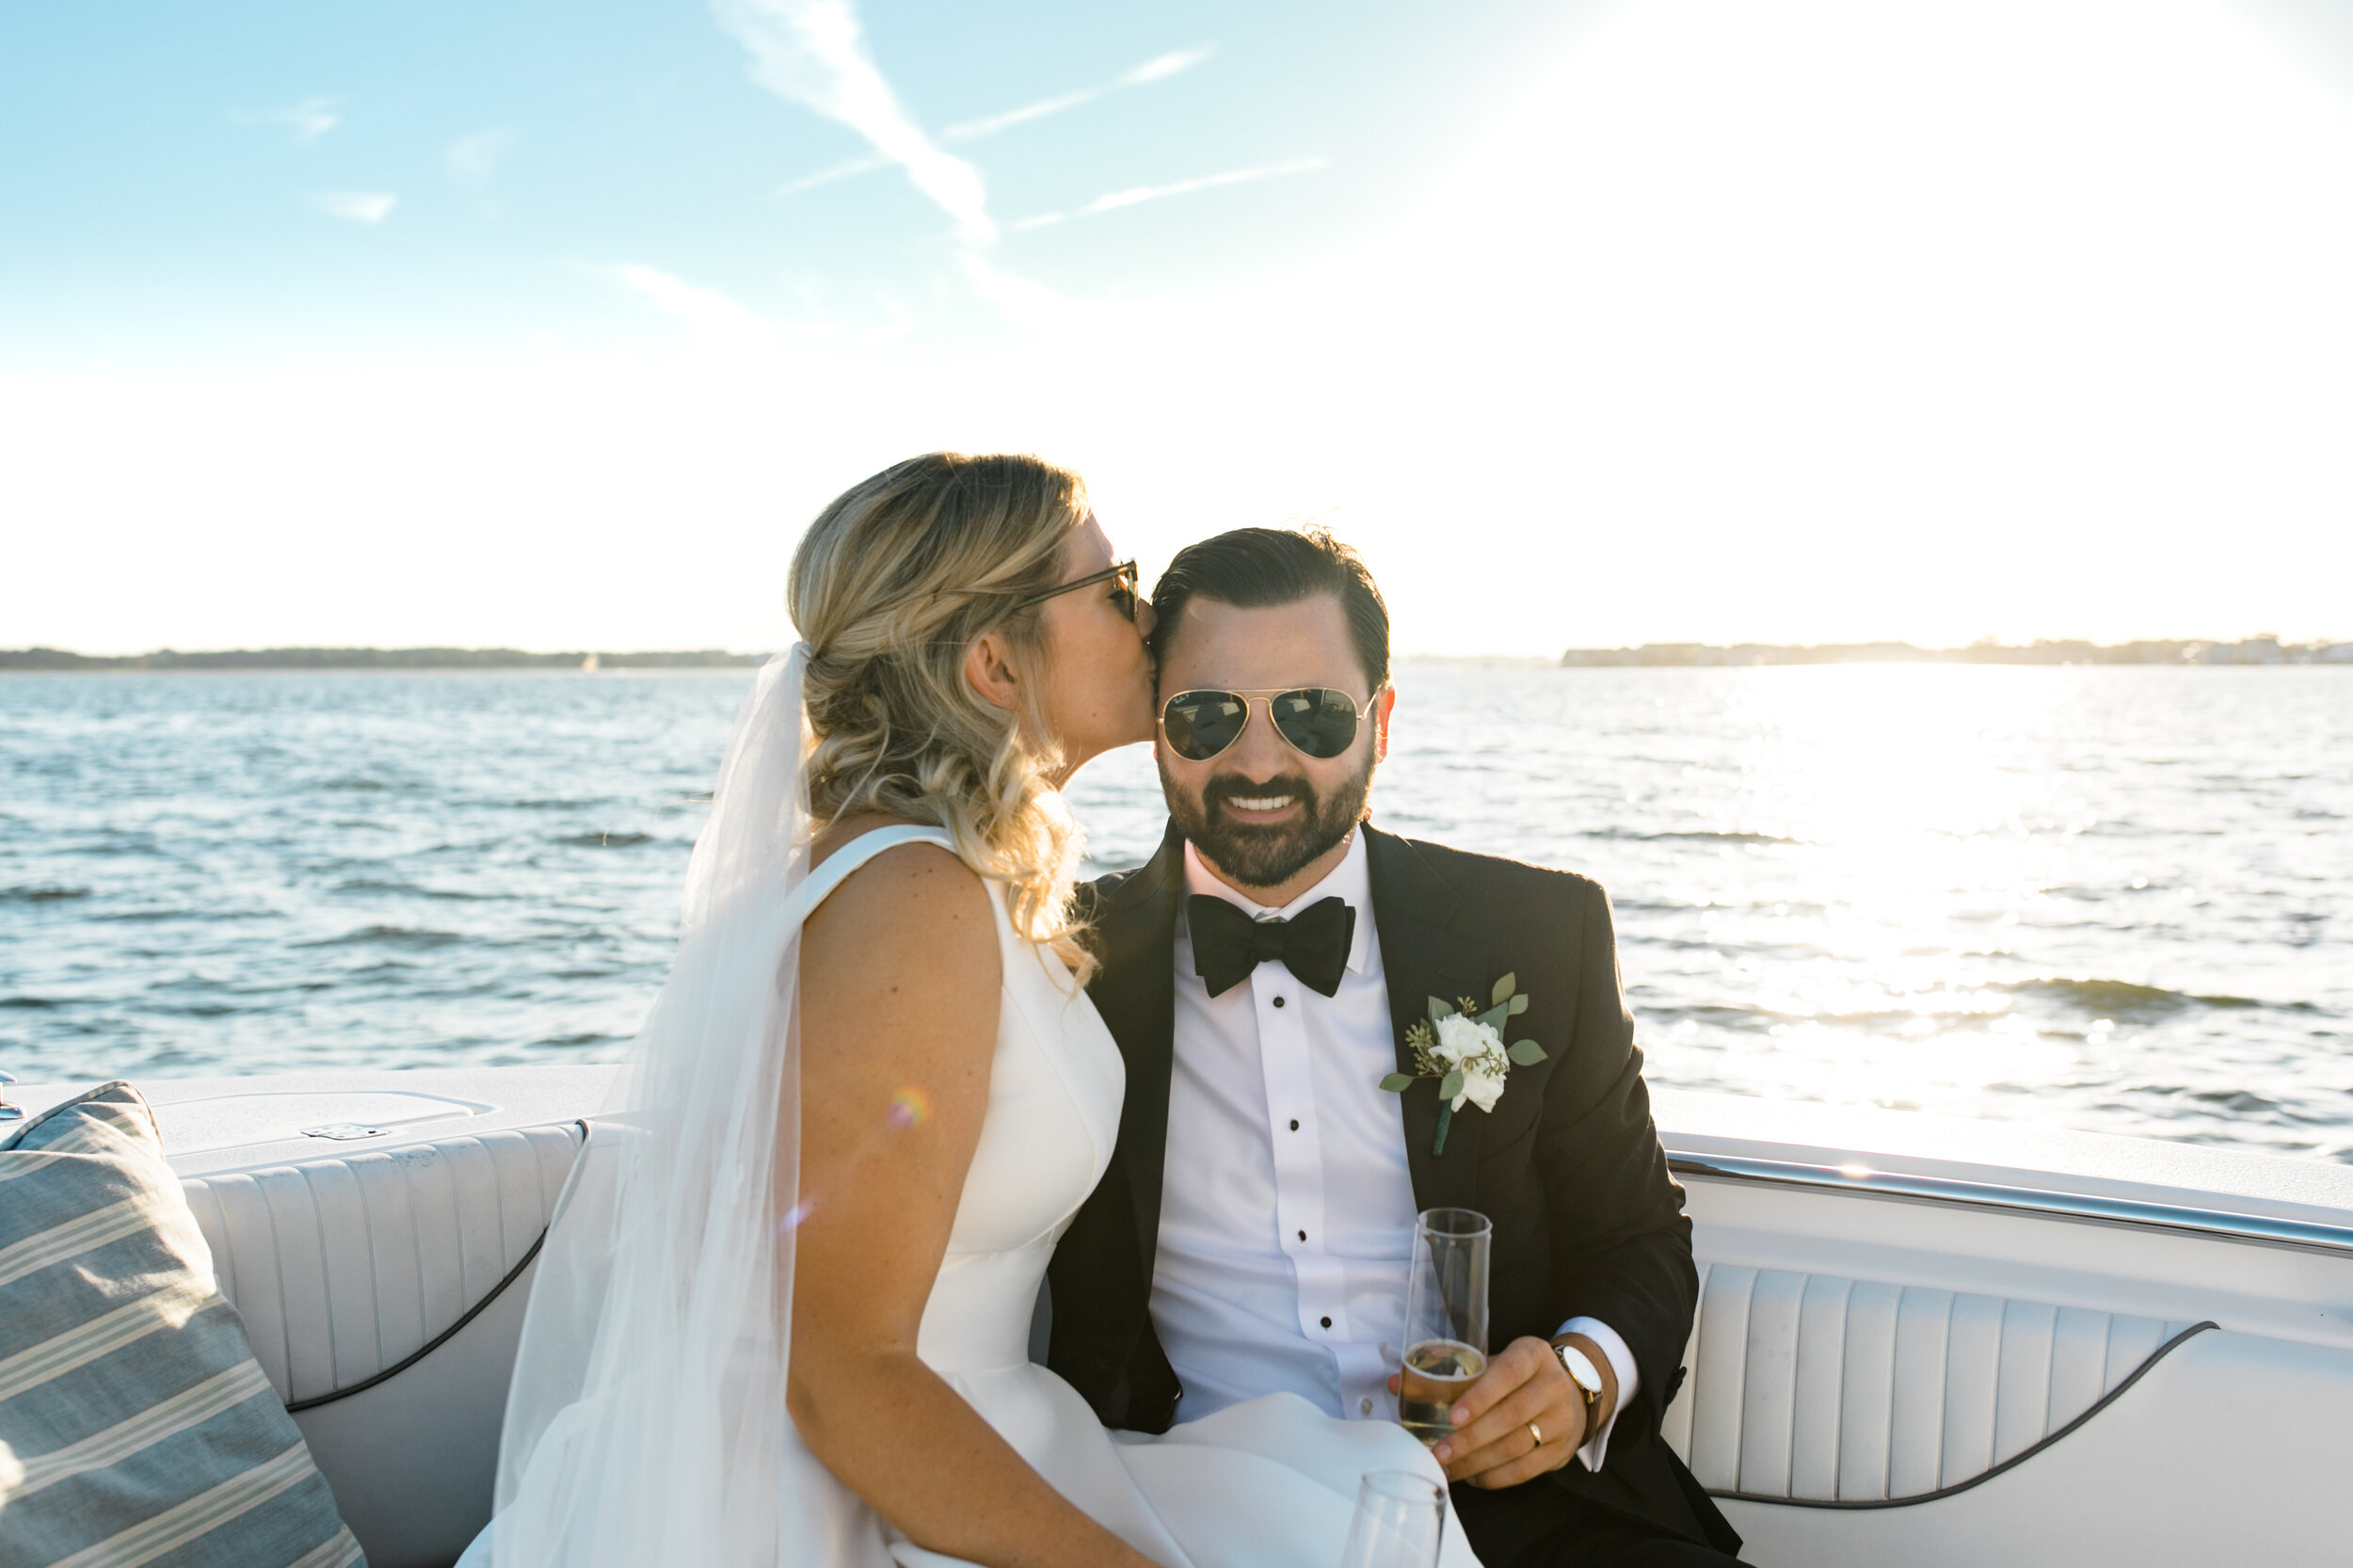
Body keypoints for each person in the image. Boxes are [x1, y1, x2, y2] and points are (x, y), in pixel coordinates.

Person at [461, 456, 1481, 1568]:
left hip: (968, 1433)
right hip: (824, 1496)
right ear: (996, 661)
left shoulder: (948, 875)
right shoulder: (911, 897)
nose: (1147, 618)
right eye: (1110, 588)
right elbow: (841, 1375)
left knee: (1341, 1502)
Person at [1048, 528, 1749, 1567]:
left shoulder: (1538, 933)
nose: (1257, 760)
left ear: (1378, 720)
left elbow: (1639, 1237)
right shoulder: (1060, 960)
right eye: (1205, 715)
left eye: (1312, 713)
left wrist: (1580, 1377)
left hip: (1526, 1513)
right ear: (1155, 730)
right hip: (1190, 1510)